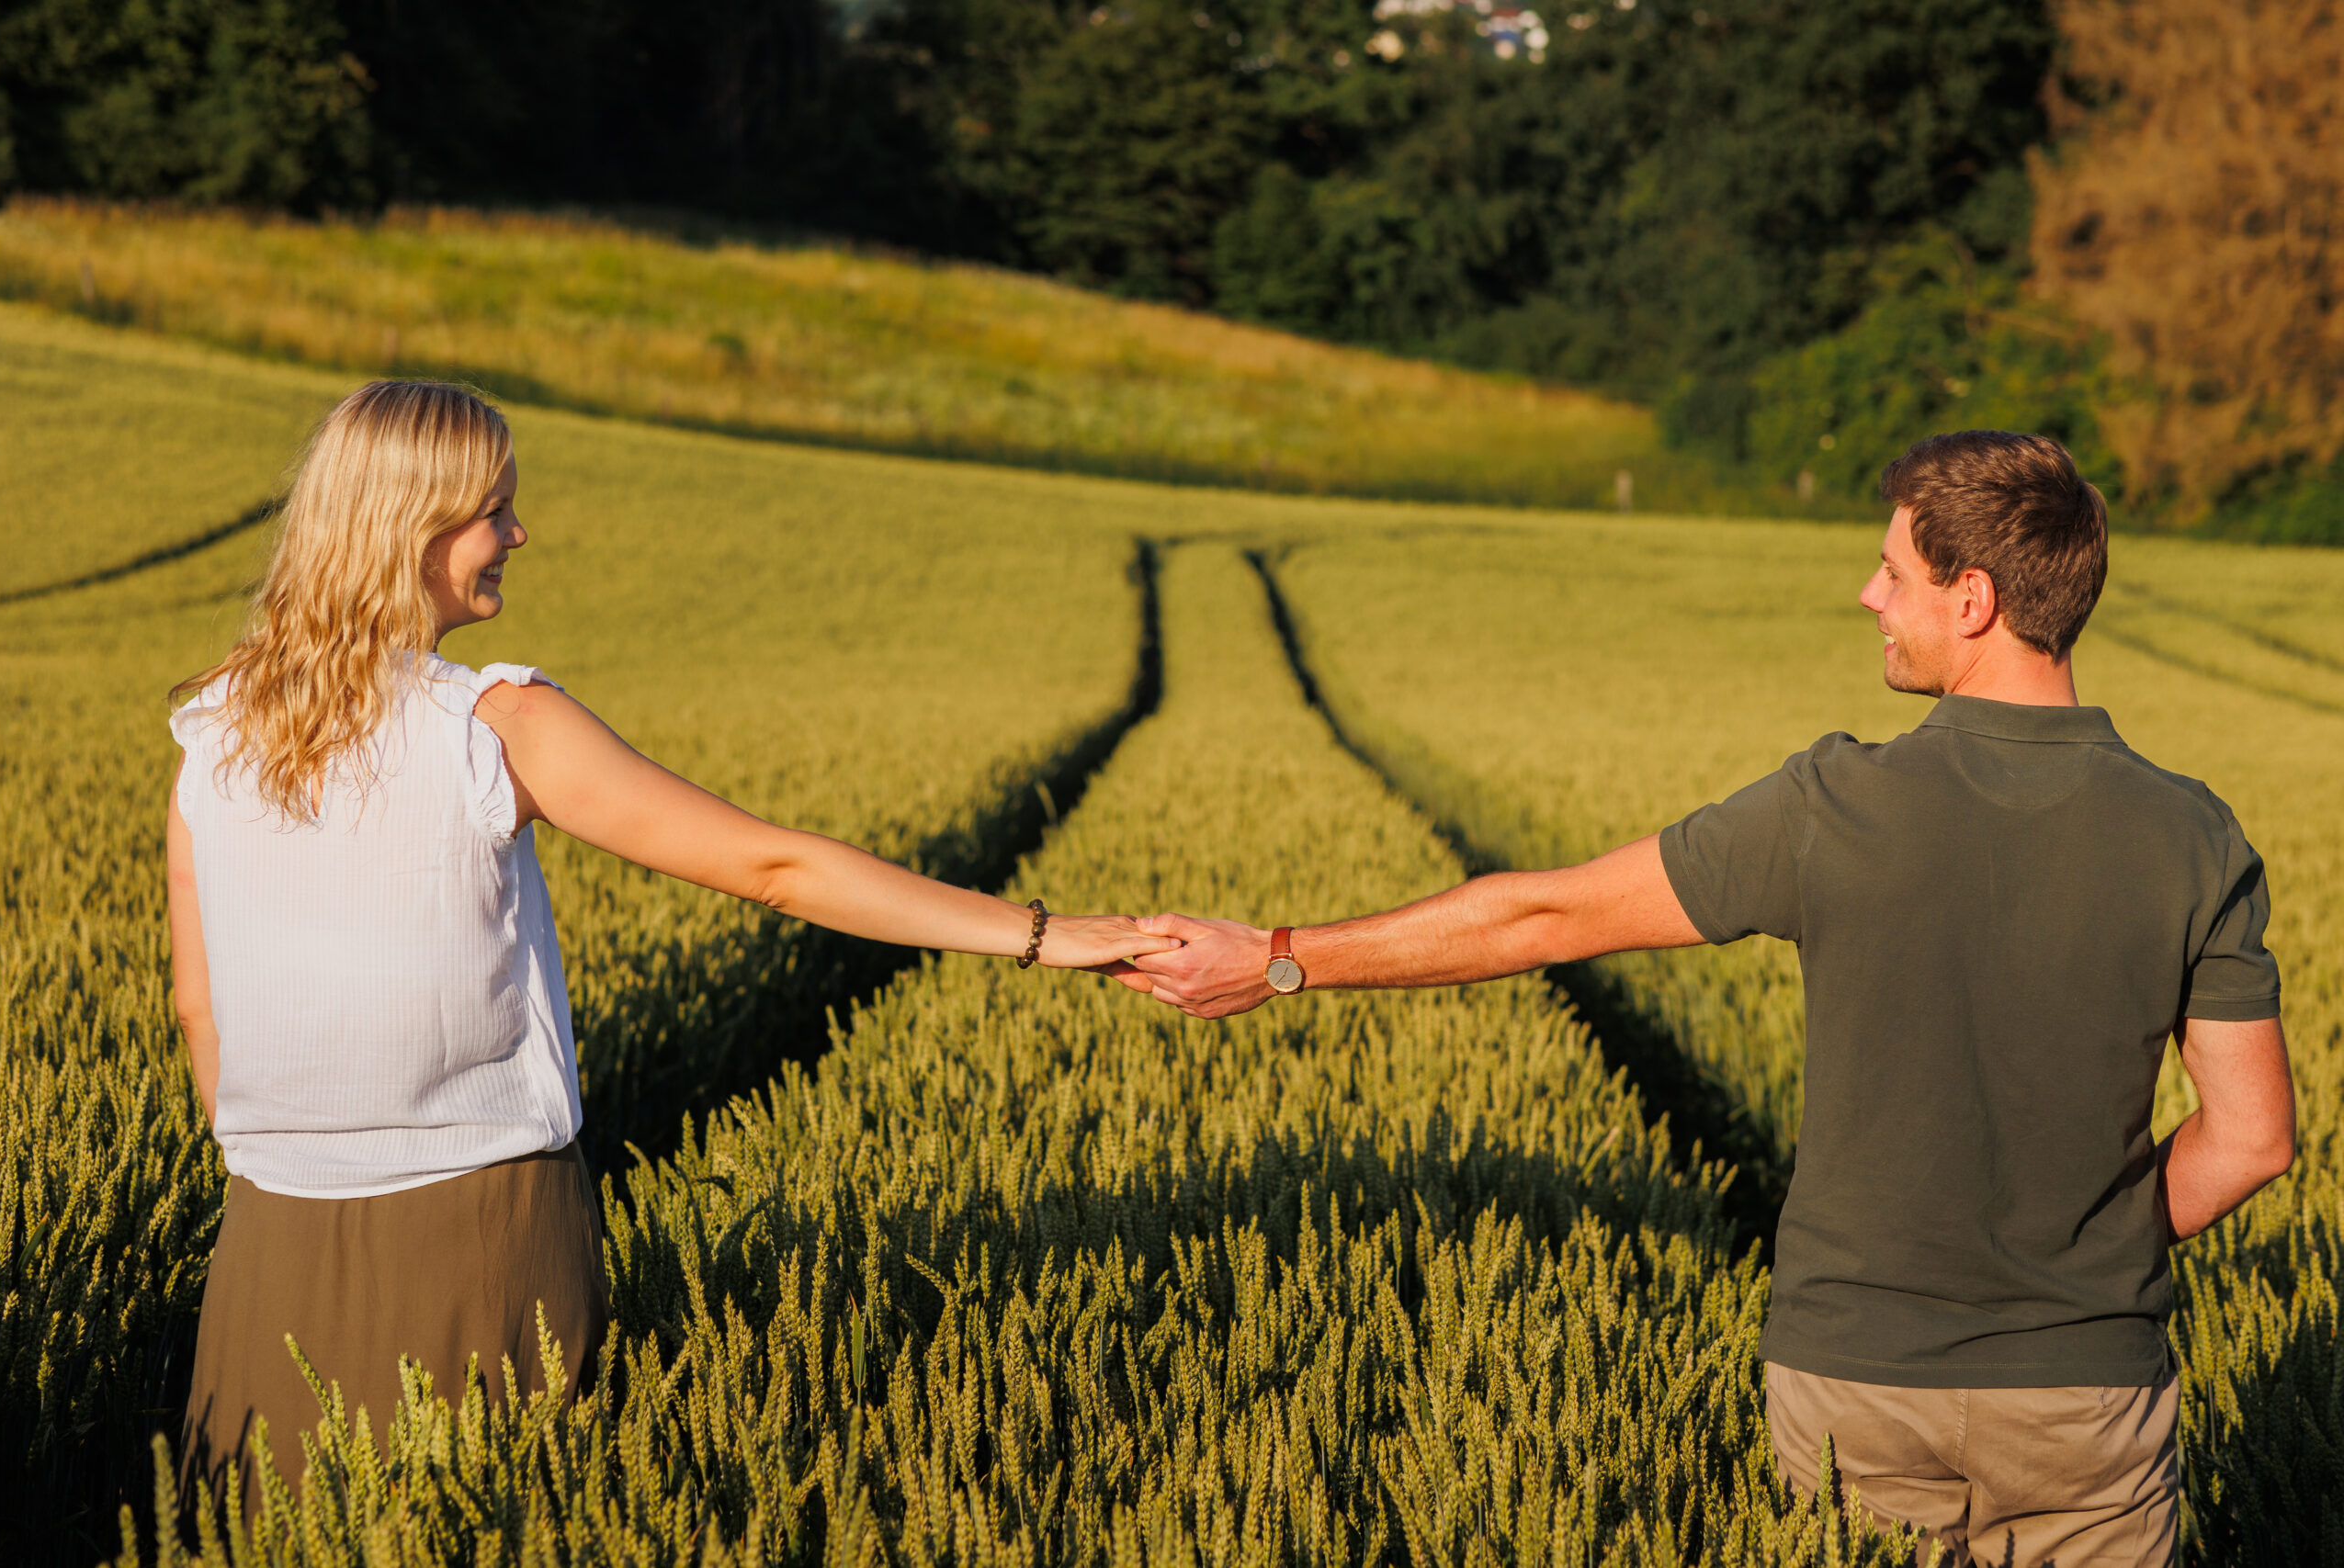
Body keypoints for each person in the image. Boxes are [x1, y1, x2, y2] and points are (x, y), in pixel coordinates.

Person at [1127, 431, 2296, 1566]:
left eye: (1892, 571)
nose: (1866, 594)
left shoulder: (1834, 805)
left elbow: (1545, 917)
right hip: (2084, 1398)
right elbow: (2250, 1141)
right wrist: (2079, 1259)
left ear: (1973, 599)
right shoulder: (2191, 835)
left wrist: (1277, 956)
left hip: (1857, 1386)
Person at [167, 379, 1177, 1488]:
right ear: (407, 522)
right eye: (490, 510)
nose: (516, 532)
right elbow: (772, 867)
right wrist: (1037, 933)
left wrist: (293, 1153)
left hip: (266, 1230)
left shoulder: (213, 729)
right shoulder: (492, 725)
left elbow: (202, 1005)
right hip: (476, 1218)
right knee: (485, 1514)